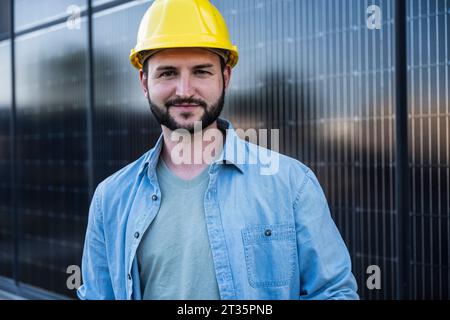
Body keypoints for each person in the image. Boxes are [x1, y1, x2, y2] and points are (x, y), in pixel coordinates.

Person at [77, 0, 358, 300]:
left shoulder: (292, 185)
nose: (184, 90)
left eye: (201, 71)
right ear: (145, 82)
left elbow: (334, 293)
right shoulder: (110, 200)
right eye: (168, 73)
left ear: (225, 77)